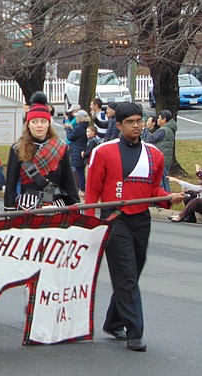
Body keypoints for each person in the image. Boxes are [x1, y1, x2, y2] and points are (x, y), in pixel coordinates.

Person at [85, 102, 184, 352]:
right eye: (130, 121)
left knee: (132, 273)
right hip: (114, 219)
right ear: (118, 125)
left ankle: (113, 321)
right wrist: (89, 222)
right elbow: (92, 193)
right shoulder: (103, 151)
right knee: (126, 275)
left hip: (141, 219)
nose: (137, 125)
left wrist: (168, 197)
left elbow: (153, 190)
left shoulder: (154, 154)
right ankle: (135, 332)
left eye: (139, 120)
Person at [4, 92, 79, 211]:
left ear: (49, 124)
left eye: (43, 122)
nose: (39, 126)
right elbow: (10, 186)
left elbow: (68, 183)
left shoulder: (61, 147)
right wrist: (9, 210)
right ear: (28, 124)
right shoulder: (17, 149)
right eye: (35, 122)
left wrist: (75, 208)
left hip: (55, 206)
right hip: (27, 207)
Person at [142, 110, 176, 192]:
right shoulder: (169, 129)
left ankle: (164, 198)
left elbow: (150, 139)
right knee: (164, 178)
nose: (157, 120)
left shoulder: (163, 130)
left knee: (162, 180)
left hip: (162, 158)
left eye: (159, 118)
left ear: (164, 119)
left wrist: (144, 129)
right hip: (166, 157)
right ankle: (166, 197)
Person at [65, 110, 90, 196]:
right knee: (81, 171)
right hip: (83, 149)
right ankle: (82, 188)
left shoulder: (79, 127)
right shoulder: (86, 126)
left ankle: (82, 189)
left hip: (77, 150)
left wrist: (68, 129)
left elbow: (70, 137)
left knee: (79, 171)